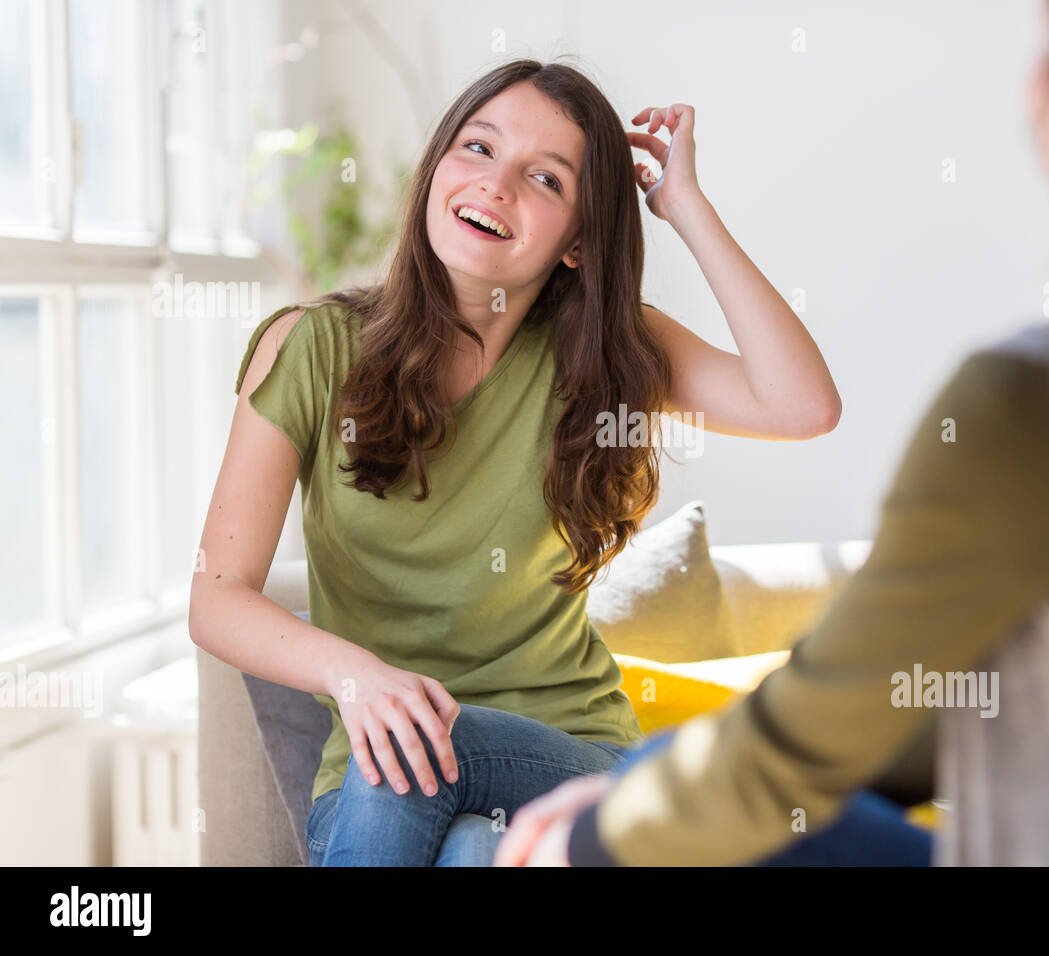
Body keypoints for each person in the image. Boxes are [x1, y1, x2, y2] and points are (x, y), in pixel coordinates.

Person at [497, 0, 1049, 867]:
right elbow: (935, 708)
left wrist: (587, 840)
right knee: (663, 780)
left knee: (656, 808)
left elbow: (809, 735)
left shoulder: (1043, 395)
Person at [187, 58, 842, 866]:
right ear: (436, 171)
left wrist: (685, 206)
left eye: (545, 179)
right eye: (478, 147)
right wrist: (356, 676)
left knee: (431, 742)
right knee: (466, 846)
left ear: (576, 244)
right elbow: (216, 595)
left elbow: (802, 405)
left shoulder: (609, 354)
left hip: (576, 761)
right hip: (371, 784)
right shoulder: (313, 349)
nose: (496, 185)